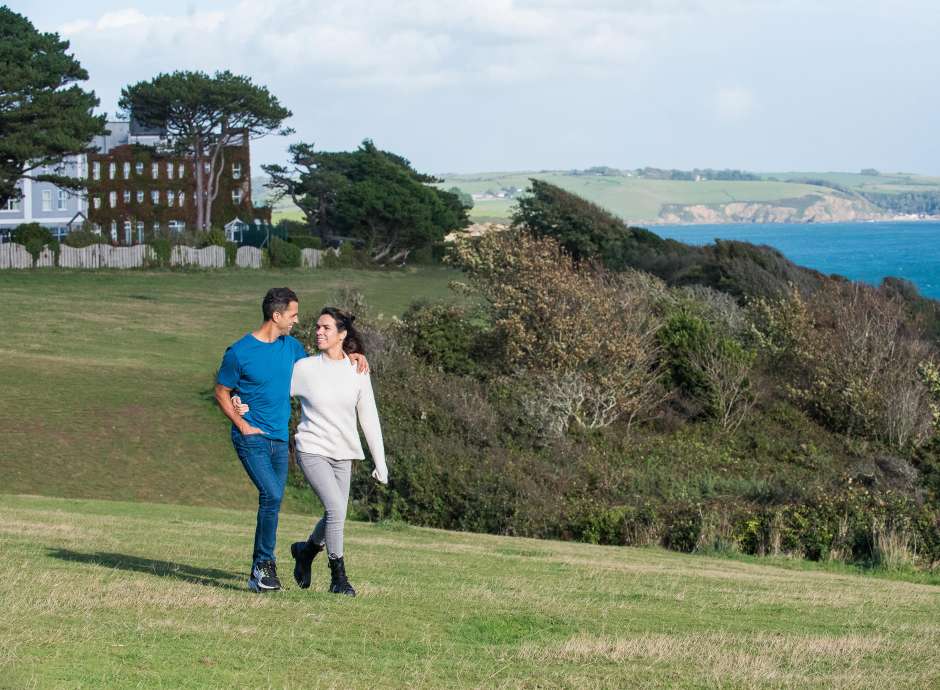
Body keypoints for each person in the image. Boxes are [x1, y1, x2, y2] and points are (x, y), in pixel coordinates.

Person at [214, 288, 367, 593]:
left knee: (274, 499)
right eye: (294, 315)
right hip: (251, 437)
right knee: (271, 494)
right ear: (277, 315)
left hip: (280, 440)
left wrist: (352, 354)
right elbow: (221, 391)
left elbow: (320, 368)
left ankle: (276, 562)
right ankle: (262, 566)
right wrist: (241, 422)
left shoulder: (292, 348)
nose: (297, 320)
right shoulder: (240, 352)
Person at [288, 307, 388, 597]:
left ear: (342, 334)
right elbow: (274, 393)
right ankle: (338, 577)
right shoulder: (304, 368)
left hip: (344, 452)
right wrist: (242, 403)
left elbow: (368, 416)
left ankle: (306, 551)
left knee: (337, 513)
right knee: (335, 509)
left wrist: (380, 462)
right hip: (311, 448)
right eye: (317, 327)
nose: (318, 332)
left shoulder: (357, 369)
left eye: (326, 328)